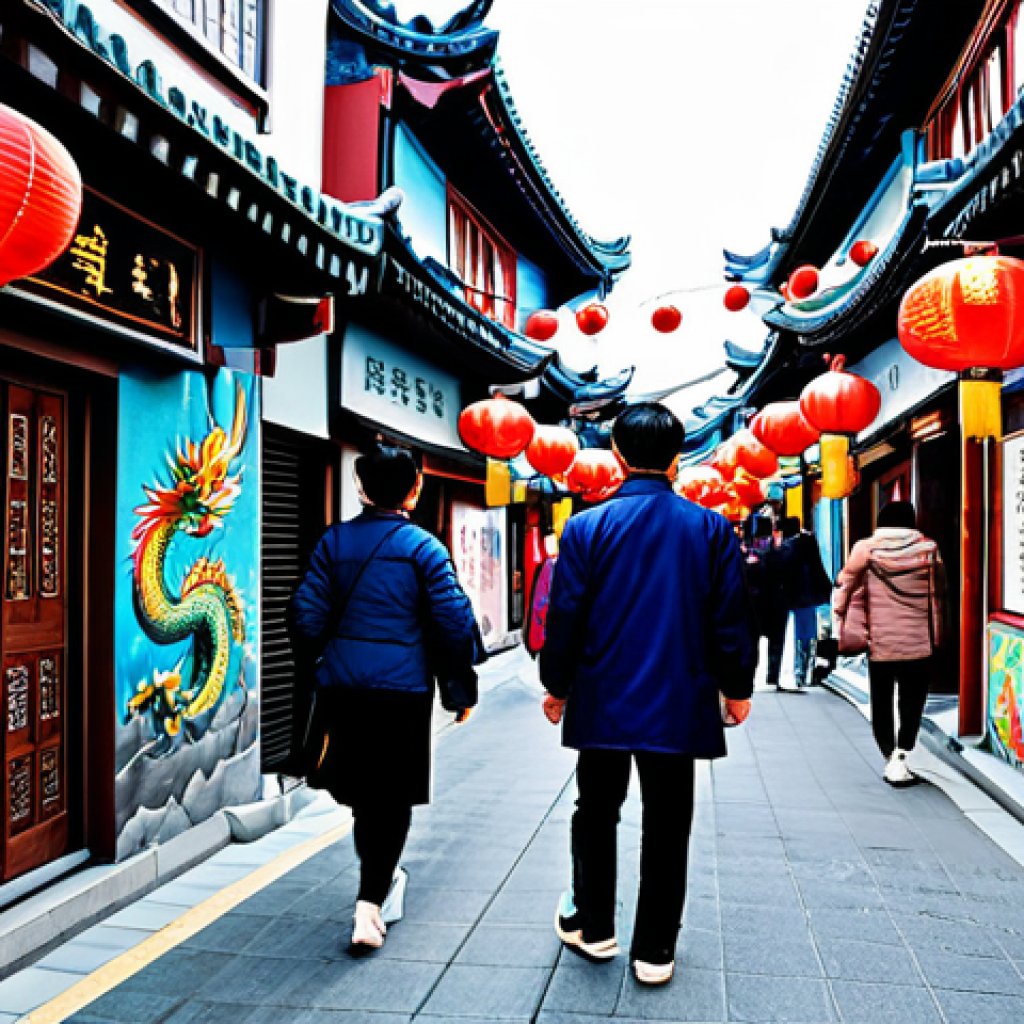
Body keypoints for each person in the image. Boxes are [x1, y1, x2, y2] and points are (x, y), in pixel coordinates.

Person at [540, 404, 757, 986]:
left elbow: (565, 616)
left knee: (595, 812)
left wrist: (556, 685)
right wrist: (738, 689)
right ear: (678, 456)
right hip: (678, 700)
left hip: (603, 696)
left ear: (617, 454)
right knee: (667, 821)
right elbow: (730, 620)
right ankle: (655, 950)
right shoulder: (709, 528)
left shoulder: (585, 527)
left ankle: (595, 927)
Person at [289, 446, 484, 950]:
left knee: (364, 800)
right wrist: (459, 689)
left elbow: (305, 618)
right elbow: (453, 624)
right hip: (401, 693)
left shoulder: (333, 542)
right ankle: (370, 904)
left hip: (344, 688)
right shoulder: (425, 548)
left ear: (361, 489)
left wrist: (323, 660)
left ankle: (376, 887)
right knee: (390, 798)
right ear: (414, 491)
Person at [834, 500, 945, 786]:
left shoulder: (866, 548)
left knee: (881, 702)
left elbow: (844, 585)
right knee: (912, 702)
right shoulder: (928, 548)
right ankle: (902, 753)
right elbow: (940, 593)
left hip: (880, 643)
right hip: (918, 641)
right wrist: (939, 633)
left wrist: (840, 625)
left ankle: (888, 755)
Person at [780, 517, 833, 687]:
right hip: (807, 597)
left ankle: (798, 672)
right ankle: (805, 673)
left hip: (792, 597)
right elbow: (817, 568)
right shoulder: (809, 543)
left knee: (795, 635)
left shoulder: (787, 548)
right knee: (807, 636)